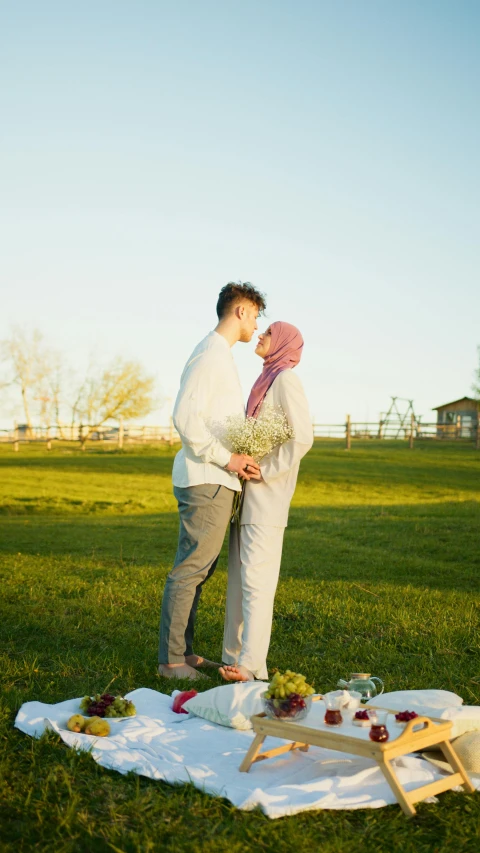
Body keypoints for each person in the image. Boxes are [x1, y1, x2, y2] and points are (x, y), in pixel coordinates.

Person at [158, 282, 266, 680]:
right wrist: (228, 458)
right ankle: (170, 662)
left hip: (217, 476)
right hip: (205, 477)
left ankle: (183, 654)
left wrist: (239, 459)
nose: (256, 326)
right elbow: (185, 419)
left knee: (199, 570)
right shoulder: (210, 355)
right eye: (255, 316)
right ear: (240, 311)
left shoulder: (220, 355)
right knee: (189, 569)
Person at [220, 321, 313, 682]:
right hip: (245, 500)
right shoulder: (266, 380)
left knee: (257, 584)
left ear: (284, 343)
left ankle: (250, 665)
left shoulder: (286, 378)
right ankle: (232, 661)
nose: (260, 336)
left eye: (268, 332)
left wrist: (266, 470)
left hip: (267, 500)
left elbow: (302, 437)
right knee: (238, 583)